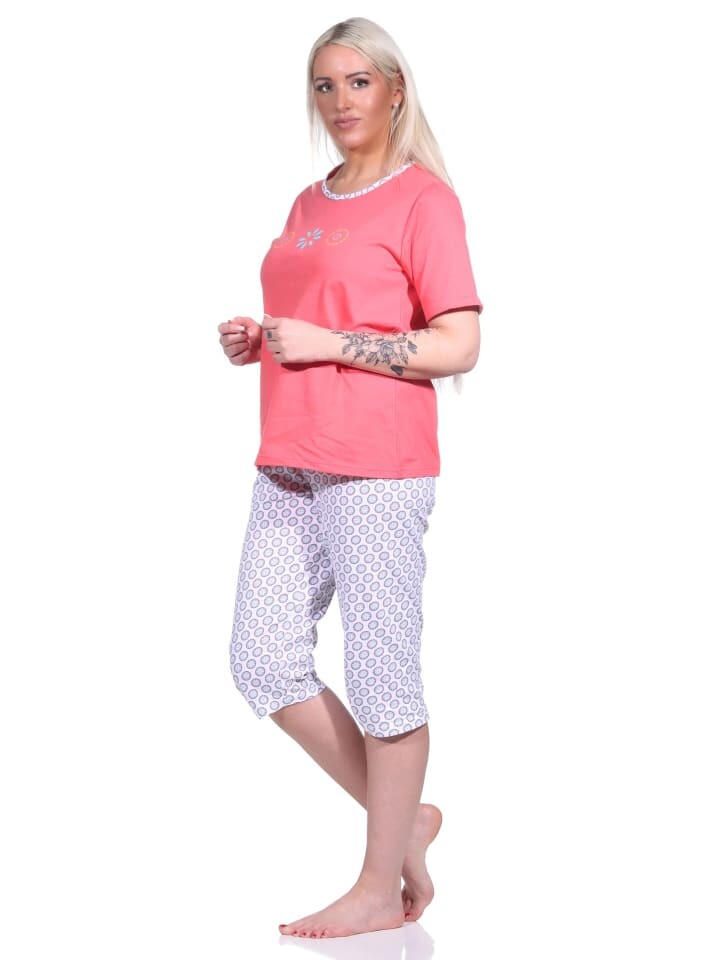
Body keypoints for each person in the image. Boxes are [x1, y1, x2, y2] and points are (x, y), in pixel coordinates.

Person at [217, 17, 483, 940]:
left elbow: (460, 343)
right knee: (263, 660)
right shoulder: (308, 201)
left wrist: (330, 343)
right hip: (289, 456)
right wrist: (260, 341)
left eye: (359, 82)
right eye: (325, 85)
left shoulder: (424, 201)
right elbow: (315, 316)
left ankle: (378, 884)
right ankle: (405, 822)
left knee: (381, 676)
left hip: (376, 464)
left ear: (395, 91)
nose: (340, 101)